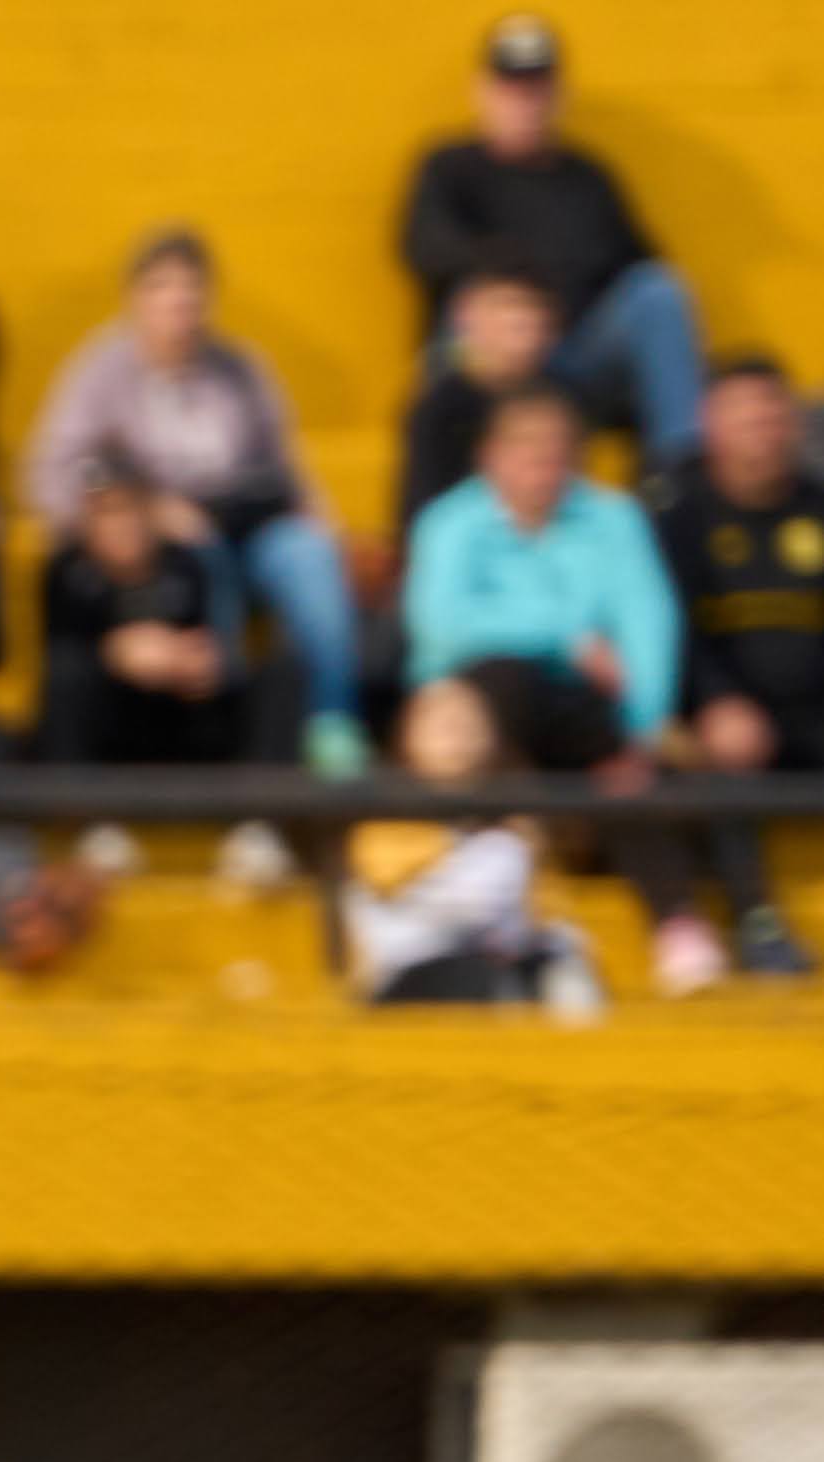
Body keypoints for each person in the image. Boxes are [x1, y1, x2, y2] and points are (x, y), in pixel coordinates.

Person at [21, 229, 367, 778]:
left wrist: (320, 520)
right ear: (134, 299)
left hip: (247, 523)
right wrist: (149, 512)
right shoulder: (101, 373)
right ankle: (219, 710)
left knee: (310, 556)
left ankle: (332, 721)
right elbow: (46, 477)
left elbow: (285, 465)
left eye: (191, 288)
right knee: (197, 551)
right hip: (158, 541)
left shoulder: (241, 368)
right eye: (162, 287)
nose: (179, 301)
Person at [405, 380, 712, 990]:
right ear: (489, 457)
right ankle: (512, 897)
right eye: (525, 449)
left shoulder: (615, 518)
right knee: (501, 676)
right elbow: (445, 630)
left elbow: (647, 624)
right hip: (467, 726)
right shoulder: (449, 524)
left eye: (556, 450)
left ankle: (679, 925)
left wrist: (643, 729)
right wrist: (568, 637)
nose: (542, 465)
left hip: (580, 721)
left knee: (628, 760)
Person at [398, 14, 699, 469]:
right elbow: (424, 248)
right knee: (469, 306)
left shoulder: (588, 178)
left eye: (537, 88)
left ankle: (682, 476)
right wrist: (517, 285)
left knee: (658, 293)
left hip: (577, 356)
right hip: (491, 358)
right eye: (512, 88)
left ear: (558, 94)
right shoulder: (449, 168)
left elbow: (639, 265)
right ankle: (452, 482)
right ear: (483, 90)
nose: (525, 103)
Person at [652, 354, 824, 980]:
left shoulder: (817, 506)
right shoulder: (680, 517)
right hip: (727, 719)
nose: (762, 425)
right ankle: (758, 922)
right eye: (744, 412)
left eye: (773, 411)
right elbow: (673, 630)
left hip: (812, 714)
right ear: (710, 424)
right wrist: (715, 698)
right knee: (717, 753)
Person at [342, 674, 606, 1012]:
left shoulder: (516, 829)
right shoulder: (386, 823)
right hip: (408, 974)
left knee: (561, 963)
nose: (456, 731)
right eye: (440, 720)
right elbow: (451, 906)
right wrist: (486, 844)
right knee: (482, 975)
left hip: (496, 964)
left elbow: (543, 916)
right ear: (407, 735)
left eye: (468, 720)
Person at [38, 457, 253, 771]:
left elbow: (215, 646)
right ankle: (70, 808)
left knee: (280, 672)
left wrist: (187, 661)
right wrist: (115, 654)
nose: (119, 526)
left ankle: (261, 805)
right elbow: (59, 648)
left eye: (127, 510)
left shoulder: (186, 565)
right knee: (68, 675)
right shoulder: (67, 572)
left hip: (180, 714)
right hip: (106, 719)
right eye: (106, 513)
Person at [397, 266, 560, 544]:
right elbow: (420, 521)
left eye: (530, 307)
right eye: (504, 306)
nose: (519, 320)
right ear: (466, 318)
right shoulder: (436, 411)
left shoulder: (563, 402)